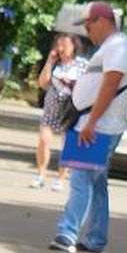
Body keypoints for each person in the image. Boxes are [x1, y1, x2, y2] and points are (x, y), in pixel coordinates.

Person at [50, 1, 127, 253]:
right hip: (96, 125)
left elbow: (110, 86)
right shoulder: (113, 48)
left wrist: (91, 122)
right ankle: (95, 238)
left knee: (81, 179)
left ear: (102, 21)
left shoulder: (119, 48)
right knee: (96, 183)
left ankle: (67, 233)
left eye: (88, 25)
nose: (86, 31)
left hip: (98, 127)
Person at [32, 32, 86, 189]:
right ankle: (41, 174)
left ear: (74, 47)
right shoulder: (55, 64)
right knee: (44, 140)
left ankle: (61, 178)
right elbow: (42, 83)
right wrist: (50, 61)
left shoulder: (82, 65)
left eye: (65, 45)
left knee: (67, 144)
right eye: (59, 45)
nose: (61, 48)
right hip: (51, 107)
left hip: (70, 109)